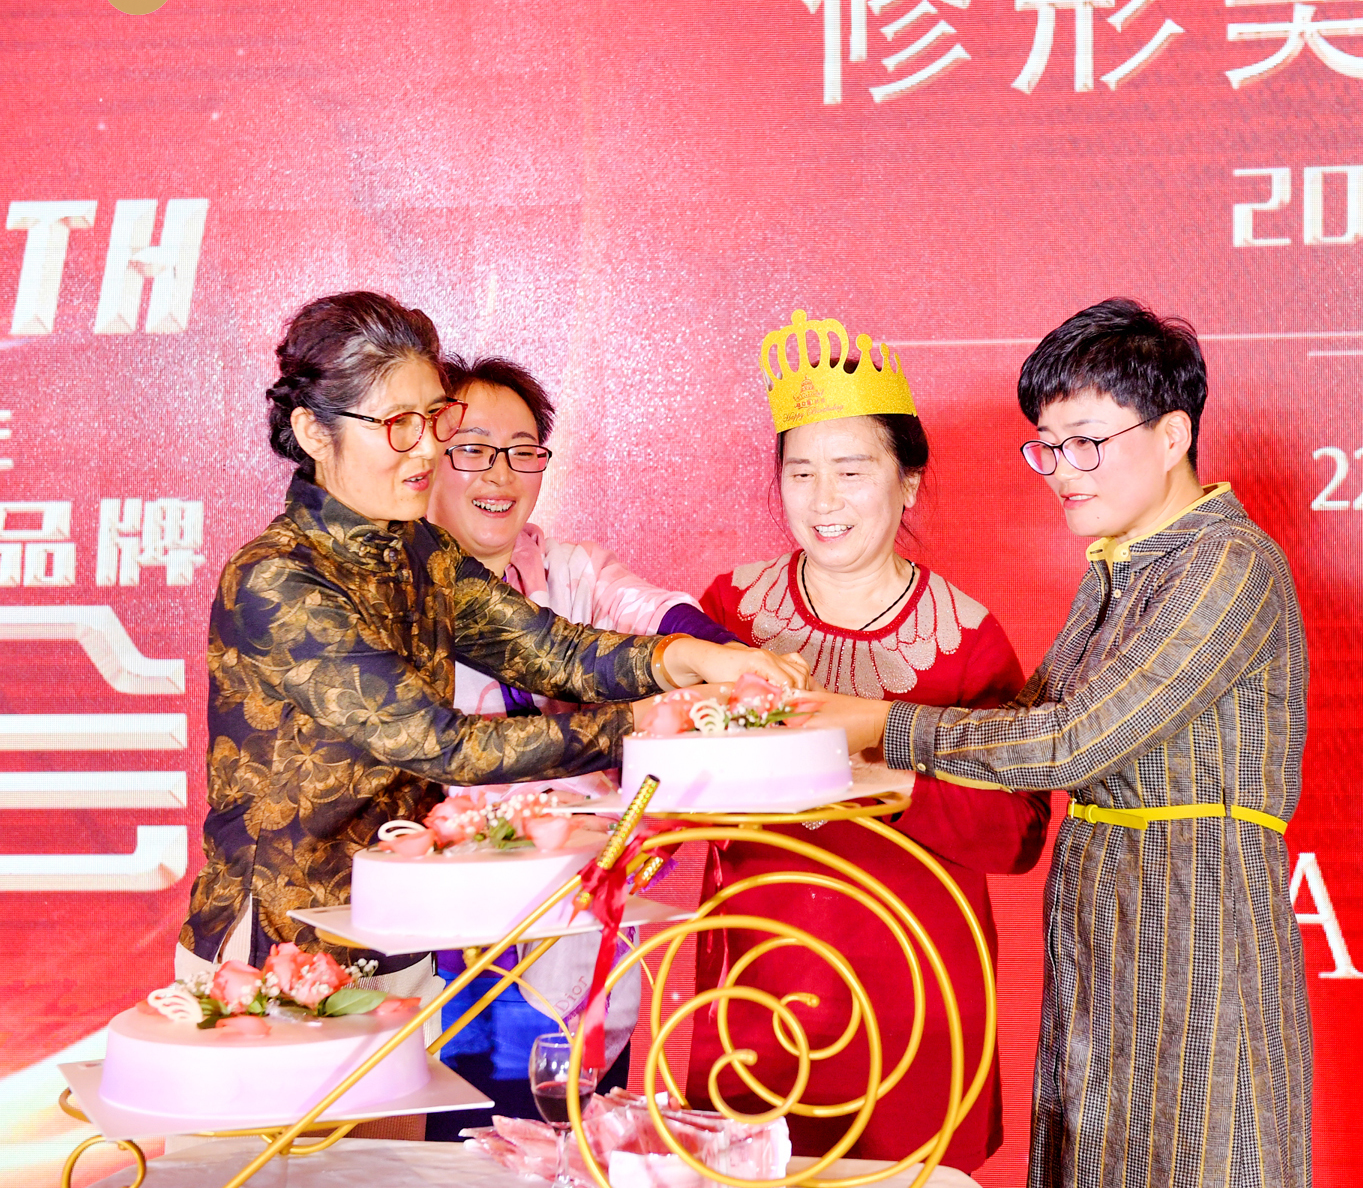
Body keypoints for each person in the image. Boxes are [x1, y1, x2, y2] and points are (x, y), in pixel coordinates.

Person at [805, 299, 1313, 1188]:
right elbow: (1023, 722)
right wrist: (839, 753)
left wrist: (874, 721)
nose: (1062, 473)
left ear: (1172, 435)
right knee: (1092, 1151)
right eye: (1047, 447)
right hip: (1103, 911)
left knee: (1199, 1148)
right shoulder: (1122, 565)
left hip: (1196, 911)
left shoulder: (1229, 564)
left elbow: (1071, 742)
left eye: (1086, 444)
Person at [177, 292, 806, 999]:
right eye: (398, 424)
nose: (427, 449)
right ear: (314, 432)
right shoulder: (276, 578)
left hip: (393, 928)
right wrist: (647, 722)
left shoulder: (420, 549)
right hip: (274, 947)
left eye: (434, 419)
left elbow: (551, 651)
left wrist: (689, 657)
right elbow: (443, 745)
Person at [686, 310, 1050, 1174]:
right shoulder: (730, 615)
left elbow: (1018, 833)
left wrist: (883, 776)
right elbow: (678, 772)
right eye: (801, 472)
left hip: (915, 985)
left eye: (852, 472)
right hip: (757, 974)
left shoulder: (966, 639)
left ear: (908, 483)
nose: (823, 500)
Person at [420, 353, 744, 1138]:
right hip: (459, 935)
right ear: (428, 457)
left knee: (584, 1138)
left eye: (522, 450)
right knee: (467, 1149)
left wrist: (724, 655)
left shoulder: (570, 570)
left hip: (588, 915)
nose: (501, 474)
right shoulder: (394, 594)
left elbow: (651, 613)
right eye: (473, 449)